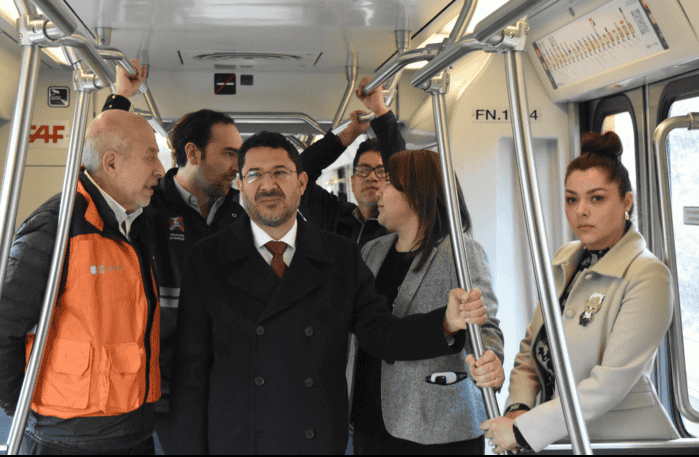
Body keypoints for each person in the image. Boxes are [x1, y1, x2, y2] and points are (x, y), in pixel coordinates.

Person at [167, 131, 490, 454]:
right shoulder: (207, 258)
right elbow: (192, 371)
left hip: (317, 439)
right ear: (240, 183)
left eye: (280, 172)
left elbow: (380, 333)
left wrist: (445, 323)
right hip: (237, 440)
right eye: (254, 174)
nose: (267, 185)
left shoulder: (341, 256)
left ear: (302, 182)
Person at [481, 132, 680, 453]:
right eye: (572, 199)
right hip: (558, 439)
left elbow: (609, 384)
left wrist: (522, 430)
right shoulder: (565, 259)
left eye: (596, 198)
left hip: (621, 442)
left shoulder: (648, 274)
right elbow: (532, 350)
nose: (581, 211)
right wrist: (518, 407)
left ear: (626, 201)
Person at [0, 109, 166, 454]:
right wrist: (23, 410)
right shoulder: (55, 228)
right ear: (111, 163)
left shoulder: (135, 224)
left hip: (134, 430)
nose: (159, 170)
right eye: (150, 156)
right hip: (65, 440)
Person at [101, 61, 245, 449]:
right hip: (161, 385)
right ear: (194, 153)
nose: (238, 166)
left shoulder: (241, 213)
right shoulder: (148, 208)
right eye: (229, 154)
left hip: (227, 383)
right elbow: (100, 170)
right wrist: (120, 99)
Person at [349, 149, 504, 455]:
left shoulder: (461, 252)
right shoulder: (372, 252)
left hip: (438, 427)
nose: (379, 189)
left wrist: (491, 360)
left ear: (417, 193)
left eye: (390, 182)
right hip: (370, 419)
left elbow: (485, 326)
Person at [300, 77, 406, 247]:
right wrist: (346, 137)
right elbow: (299, 172)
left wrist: (379, 110)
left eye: (380, 171)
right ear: (352, 180)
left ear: (390, 181)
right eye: (363, 170)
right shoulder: (334, 218)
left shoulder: (399, 222)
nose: (371, 177)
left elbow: (402, 168)